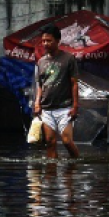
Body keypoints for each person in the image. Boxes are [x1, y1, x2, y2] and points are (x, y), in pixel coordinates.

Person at [33, 25, 80, 159]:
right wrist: (37, 103)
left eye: (49, 41)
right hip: (47, 109)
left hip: (65, 107)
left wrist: (75, 106)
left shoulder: (68, 59)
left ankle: (75, 165)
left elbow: (74, 83)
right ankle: (50, 175)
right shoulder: (41, 62)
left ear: (58, 40)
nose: (45, 44)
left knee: (67, 141)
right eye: (43, 41)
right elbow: (40, 85)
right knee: (50, 142)